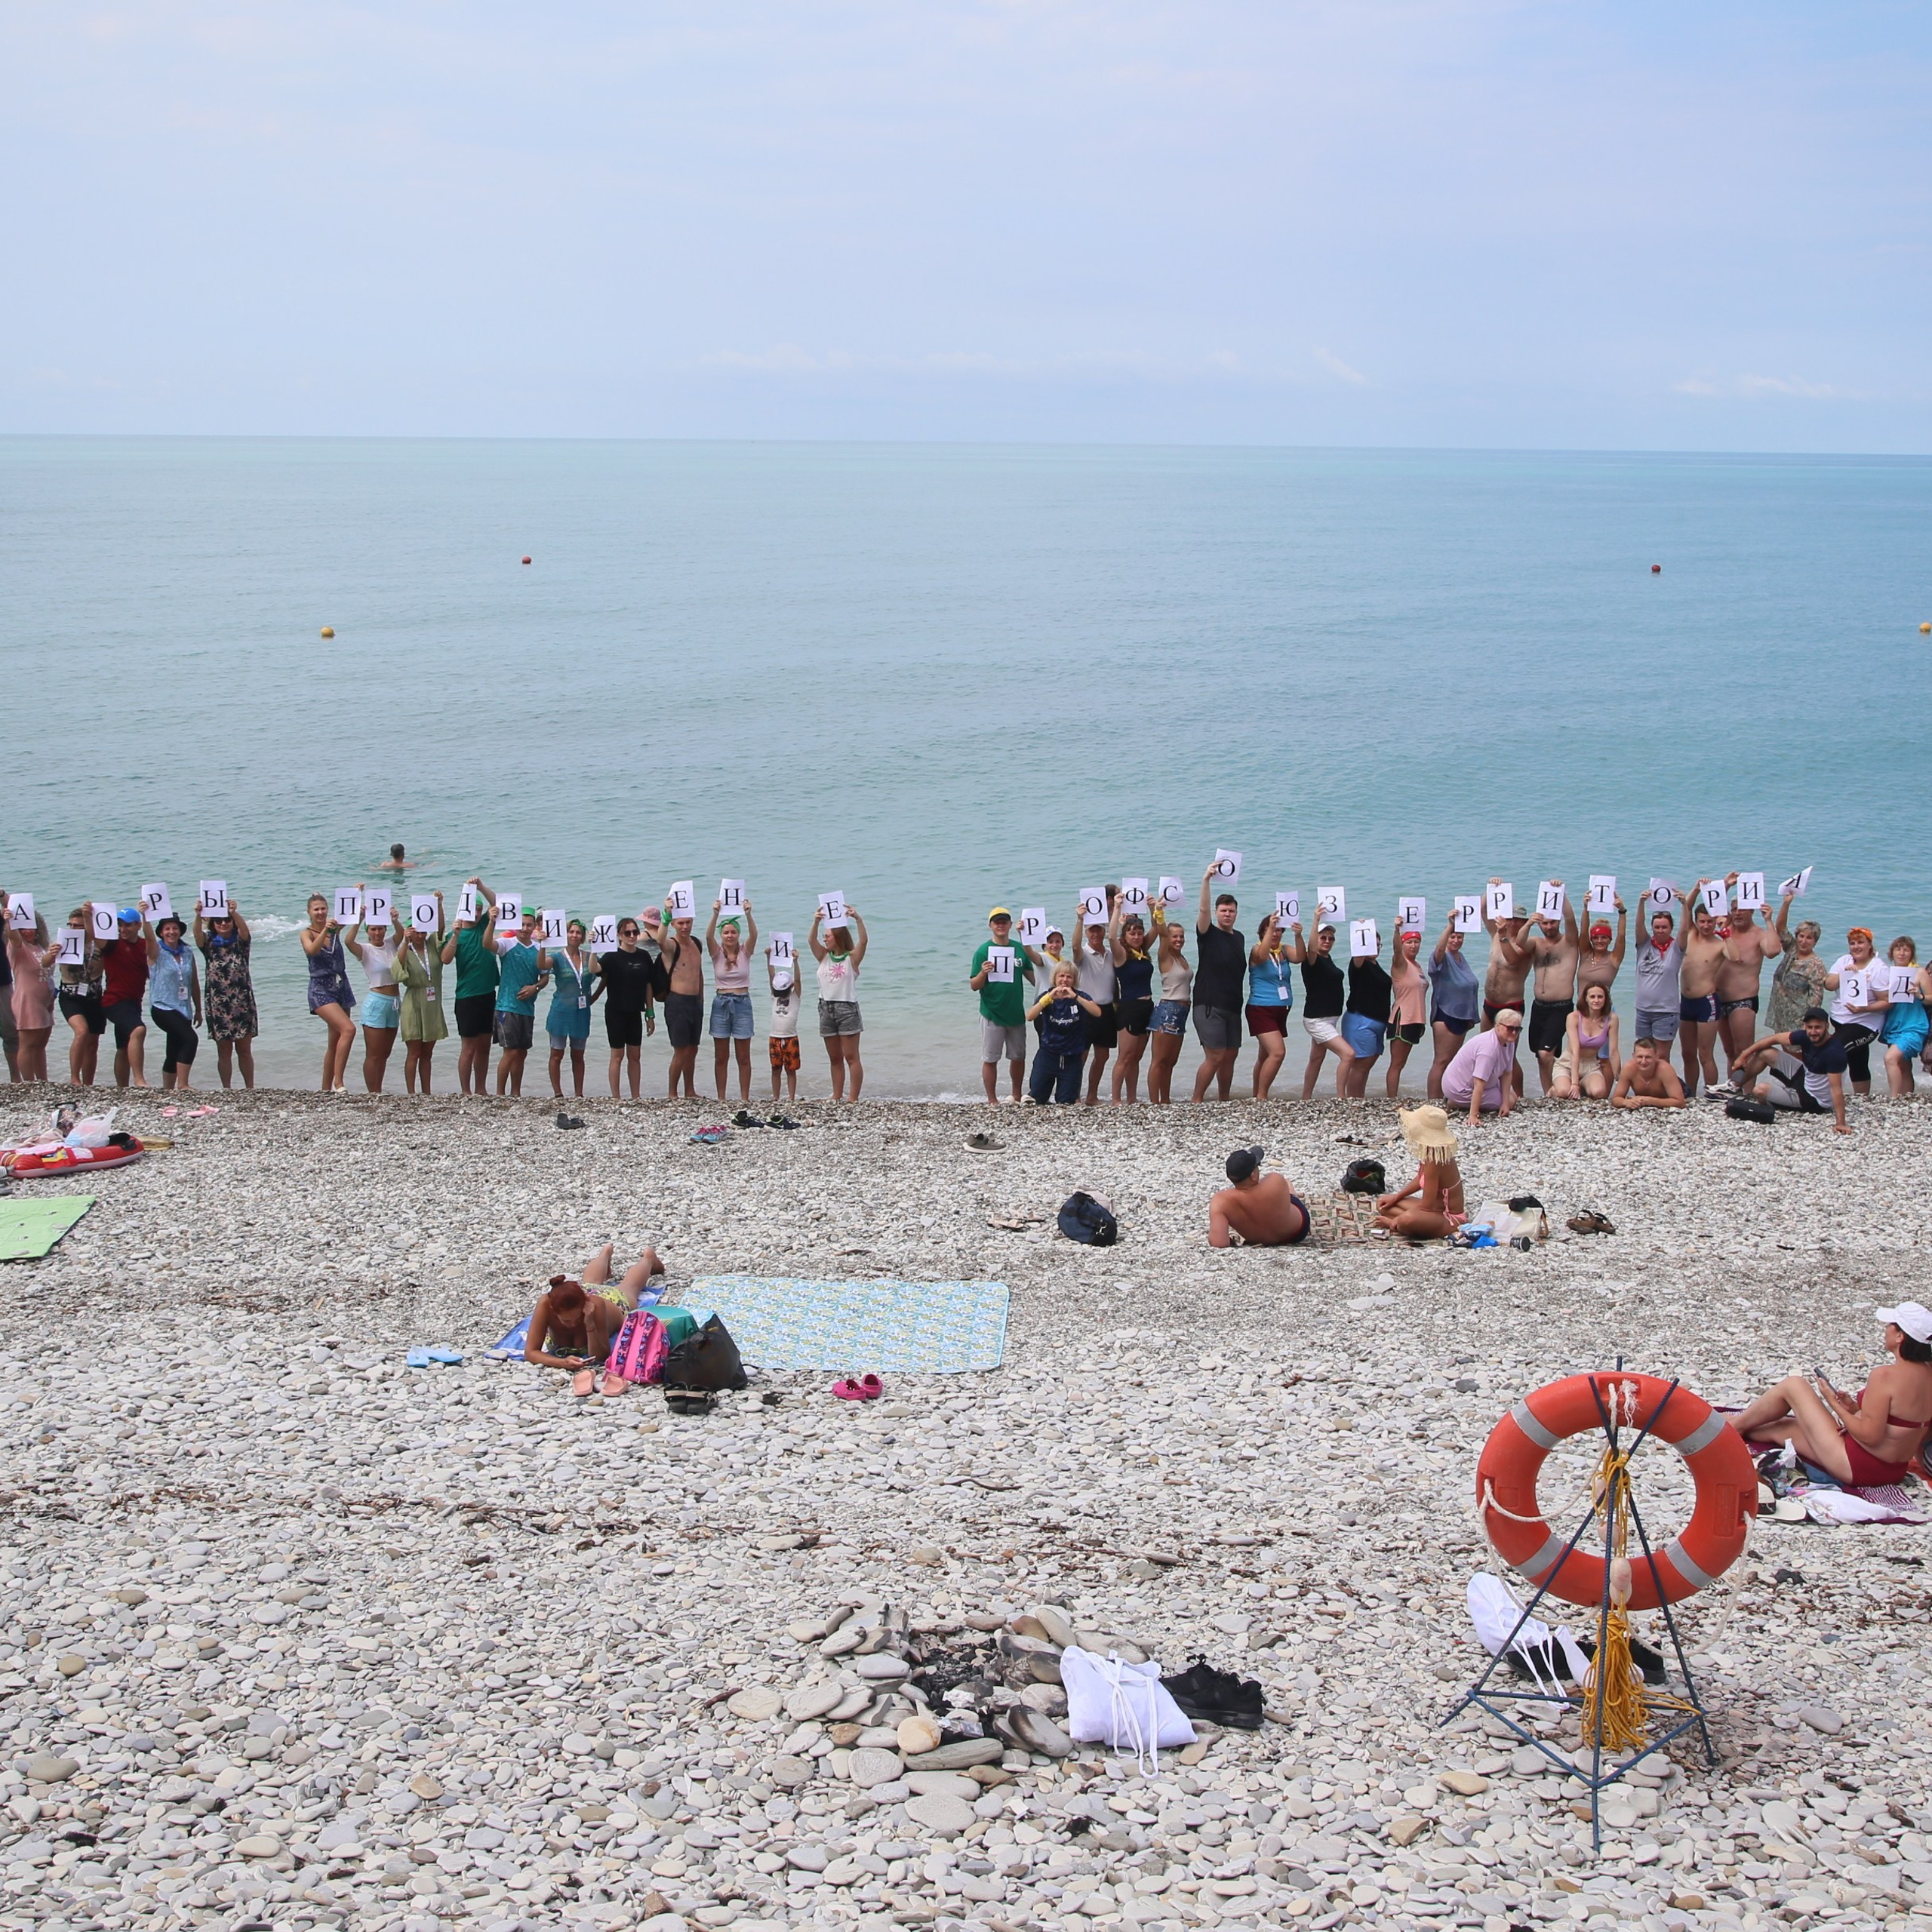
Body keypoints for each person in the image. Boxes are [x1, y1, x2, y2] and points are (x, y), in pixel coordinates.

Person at [1724, 1303, 1932, 1488]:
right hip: (1893, 1470)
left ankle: (1731, 1428)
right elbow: (1900, 1422)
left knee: (1794, 1385)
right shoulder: (1928, 1374)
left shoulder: (1885, 1376)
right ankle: (1733, 1426)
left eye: (1890, 1325)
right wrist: (1855, 1409)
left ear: (1900, 1336)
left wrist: (1834, 1403)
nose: (1885, 1330)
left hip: (1858, 1465)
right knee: (1782, 1428)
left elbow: (1870, 1436)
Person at [523, 1243, 669, 1395]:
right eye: (566, 1321)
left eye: (577, 1319)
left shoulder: (595, 1305)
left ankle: (648, 1259)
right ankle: (605, 1253)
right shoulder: (545, 1304)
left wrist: (590, 1324)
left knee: (629, 1288)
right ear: (554, 1311)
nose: (573, 1324)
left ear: (584, 1305)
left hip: (612, 1302)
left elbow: (600, 1357)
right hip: (582, 1293)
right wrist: (562, 1363)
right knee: (590, 1282)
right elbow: (530, 1352)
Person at [1711, 878, 1784, 1092]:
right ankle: (1732, 1090)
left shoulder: (1759, 934)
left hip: (1743, 1001)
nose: (1737, 913)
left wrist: (1769, 920)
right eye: (1734, 909)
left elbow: (1773, 951)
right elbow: (1712, 908)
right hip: (1719, 999)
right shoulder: (1725, 928)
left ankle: (1747, 1092)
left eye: (1742, 909)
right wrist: (1725, 886)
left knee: (1744, 1051)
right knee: (1729, 1052)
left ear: (1752, 910)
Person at [1727, 1007, 1850, 1131]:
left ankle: (1777, 1100)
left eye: (1818, 1027)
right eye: (1810, 1027)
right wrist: (1744, 1055)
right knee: (1766, 1053)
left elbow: (1836, 1089)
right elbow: (1774, 1038)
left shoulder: (1833, 1052)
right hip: (1806, 1077)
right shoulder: (1806, 1036)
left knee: (1759, 1091)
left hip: (1813, 1099)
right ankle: (1734, 1087)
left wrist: (1840, 1123)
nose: (1813, 1032)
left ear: (1827, 1026)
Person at [971, 908, 1041, 1104]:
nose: (1000, 925)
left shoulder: (1019, 949)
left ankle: (1016, 1096)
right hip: (991, 1013)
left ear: (1010, 925)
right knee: (991, 1058)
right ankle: (992, 1099)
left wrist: (1052, 990)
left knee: (1018, 1057)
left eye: (1004, 922)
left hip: (1016, 1013)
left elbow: (1034, 979)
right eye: (997, 922)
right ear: (990, 926)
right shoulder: (983, 951)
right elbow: (974, 985)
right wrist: (983, 973)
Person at [1191, 869, 1246, 1103]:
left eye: (1231, 911)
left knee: (1230, 1055)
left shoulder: (1239, 937)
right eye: (1223, 910)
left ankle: (1224, 1098)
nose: (1227, 914)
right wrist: (1206, 880)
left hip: (1233, 1006)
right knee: (1215, 1056)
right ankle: (1197, 1099)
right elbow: (1203, 910)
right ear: (1216, 913)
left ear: (1236, 913)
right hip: (1209, 1004)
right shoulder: (1208, 933)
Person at [194, 897, 258, 1090]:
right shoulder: (209, 943)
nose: (223, 923)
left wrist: (234, 912)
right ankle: (227, 1088)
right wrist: (198, 915)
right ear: (212, 924)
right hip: (218, 1004)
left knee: (244, 1049)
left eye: (227, 920)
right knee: (224, 1051)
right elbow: (197, 935)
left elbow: (245, 931)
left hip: (242, 1002)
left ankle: (249, 1087)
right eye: (218, 921)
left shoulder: (241, 942)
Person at [1522, 888, 1581, 1095]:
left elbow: (1571, 919)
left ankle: (1553, 1089)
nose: (1549, 926)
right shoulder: (1536, 943)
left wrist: (1561, 894)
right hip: (1539, 1006)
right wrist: (1529, 923)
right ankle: (1549, 1090)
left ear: (1559, 922)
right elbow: (1519, 942)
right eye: (1545, 923)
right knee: (1540, 1055)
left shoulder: (1569, 942)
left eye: (1553, 922)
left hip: (1561, 1006)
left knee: (1545, 1053)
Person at [344, 889, 404, 1095]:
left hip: (394, 1003)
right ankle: (373, 1092)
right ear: (368, 931)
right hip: (377, 1003)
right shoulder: (365, 950)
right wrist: (359, 920)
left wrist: (395, 919)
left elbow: (402, 934)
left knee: (385, 1053)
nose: (377, 933)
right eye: (373, 929)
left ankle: (379, 1088)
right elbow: (348, 942)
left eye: (380, 929)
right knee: (374, 1054)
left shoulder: (390, 944)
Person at [1374, 1106, 1466, 1238]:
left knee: (1406, 1220)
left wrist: (1395, 1222)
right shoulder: (1431, 1152)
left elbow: (1426, 1206)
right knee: (1383, 1203)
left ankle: (1399, 1225)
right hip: (1435, 1211)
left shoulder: (1434, 1160)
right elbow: (1421, 1178)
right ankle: (1408, 1223)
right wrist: (1396, 1197)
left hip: (1449, 1218)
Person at [598, 915, 659, 1100]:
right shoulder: (611, 956)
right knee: (617, 1055)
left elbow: (649, 985)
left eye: (635, 932)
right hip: (615, 1011)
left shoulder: (644, 956)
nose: (632, 936)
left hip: (635, 1012)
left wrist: (650, 1014)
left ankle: (636, 1096)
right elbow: (595, 970)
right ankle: (616, 1097)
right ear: (619, 935)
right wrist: (593, 949)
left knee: (635, 1056)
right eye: (627, 933)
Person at [1823, 927, 1890, 1096]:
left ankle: (1827, 1094)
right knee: (1857, 1059)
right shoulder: (1844, 961)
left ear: (1869, 945)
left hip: (1865, 1023)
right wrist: (1843, 974)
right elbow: (1828, 985)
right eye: (1852, 943)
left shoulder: (1878, 968)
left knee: (1834, 1049)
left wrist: (1864, 1008)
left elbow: (1888, 1001)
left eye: (1861, 942)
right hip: (1840, 1020)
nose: (1856, 946)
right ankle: (1862, 1097)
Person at [811, 905, 868, 1101]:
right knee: (834, 1057)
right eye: (824, 936)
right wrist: (816, 921)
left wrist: (858, 919)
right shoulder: (823, 956)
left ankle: (853, 1097)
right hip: (826, 1008)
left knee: (851, 1057)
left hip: (847, 1009)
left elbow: (863, 942)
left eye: (827, 936)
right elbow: (811, 941)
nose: (824, 939)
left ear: (837, 937)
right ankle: (836, 1094)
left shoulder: (851, 959)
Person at [448, 881, 500, 1097]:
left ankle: (481, 1088)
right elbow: (445, 959)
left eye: (479, 910)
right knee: (468, 1048)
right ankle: (466, 1090)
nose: (477, 913)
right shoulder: (458, 933)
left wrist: (480, 886)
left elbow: (496, 902)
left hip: (488, 994)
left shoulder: (483, 925)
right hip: (467, 997)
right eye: (474, 909)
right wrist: (454, 935)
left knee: (485, 1046)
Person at [1675, 882, 1727, 1098]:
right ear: (1696, 922)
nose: (1706, 925)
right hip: (1685, 1001)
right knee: (1687, 1053)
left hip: (1707, 1002)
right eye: (1702, 921)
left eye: (1710, 922)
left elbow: (1735, 957)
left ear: (1716, 922)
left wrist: (1727, 932)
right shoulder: (1690, 935)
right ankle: (1691, 1092)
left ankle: (1712, 1092)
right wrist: (1696, 889)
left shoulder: (1719, 944)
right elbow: (1686, 907)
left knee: (1705, 1054)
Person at [300, 896, 355, 1092]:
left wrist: (358, 897)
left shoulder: (335, 930)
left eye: (323, 908)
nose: (320, 912)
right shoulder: (306, 933)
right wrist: (325, 930)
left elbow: (351, 915)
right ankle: (339, 1083)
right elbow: (312, 951)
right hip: (320, 988)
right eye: (316, 909)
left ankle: (325, 1090)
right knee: (349, 1030)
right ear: (309, 912)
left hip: (341, 986)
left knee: (335, 1041)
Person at [706, 900, 759, 1106]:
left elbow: (754, 935)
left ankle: (744, 1097)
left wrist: (748, 914)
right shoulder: (716, 953)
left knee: (743, 1056)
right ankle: (721, 1097)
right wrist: (715, 915)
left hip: (742, 1003)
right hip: (721, 1003)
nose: (730, 936)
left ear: (738, 934)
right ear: (722, 936)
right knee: (721, 1056)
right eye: (726, 932)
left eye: (733, 932)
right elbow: (708, 936)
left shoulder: (745, 951)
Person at [1026, 962, 1102, 1104]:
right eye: (1061, 976)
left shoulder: (1080, 996)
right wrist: (1048, 998)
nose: (1065, 980)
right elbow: (1030, 1016)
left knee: (1066, 1101)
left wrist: (1076, 997)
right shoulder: (1047, 996)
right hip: (1048, 1053)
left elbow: (1097, 1012)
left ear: (1074, 980)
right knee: (1037, 1098)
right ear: (1055, 978)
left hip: (1072, 1057)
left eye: (1069, 977)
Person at [395, 895, 448, 1094]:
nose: (420, 935)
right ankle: (411, 1092)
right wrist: (405, 941)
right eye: (416, 931)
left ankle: (427, 1092)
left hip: (432, 1003)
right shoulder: (406, 950)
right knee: (414, 1051)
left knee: (427, 1053)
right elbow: (397, 971)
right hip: (413, 1002)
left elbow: (441, 930)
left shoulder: (431, 944)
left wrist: (439, 905)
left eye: (422, 931)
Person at [542, 918, 600, 1100]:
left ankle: (579, 1094)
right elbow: (541, 965)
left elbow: (604, 975)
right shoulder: (557, 957)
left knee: (578, 1055)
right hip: (560, 1011)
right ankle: (558, 1093)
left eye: (578, 932)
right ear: (565, 934)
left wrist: (595, 997)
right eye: (571, 932)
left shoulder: (589, 956)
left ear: (583, 936)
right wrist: (542, 945)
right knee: (556, 1054)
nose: (574, 935)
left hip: (581, 1012)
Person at [1208, 1145, 1309, 1247]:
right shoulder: (1275, 1180)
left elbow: (1219, 1243)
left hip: (1261, 1241)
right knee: (1287, 1184)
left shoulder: (1221, 1202)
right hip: (1297, 1233)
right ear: (1253, 1176)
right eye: (1257, 1166)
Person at [1425, 915, 1480, 1100]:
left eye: (1459, 936)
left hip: (1462, 1016)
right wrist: (1450, 925)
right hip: (1445, 1014)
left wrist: (1471, 1016)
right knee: (1441, 1061)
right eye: (1452, 937)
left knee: (1452, 1061)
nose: (1456, 940)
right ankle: (1433, 1099)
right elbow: (1439, 950)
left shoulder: (1460, 957)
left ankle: (1445, 1096)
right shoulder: (1442, 957)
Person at [1297, 921, 1355, 1099]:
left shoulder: (1327, 959)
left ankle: (1306, 1098)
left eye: (1331, 938)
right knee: (1348, 1055)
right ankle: (1341, 1097)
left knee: (1316, 1059)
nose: (1327, 941)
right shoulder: (1311, 959)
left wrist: (1361, 931)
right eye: (1323, 937)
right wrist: (1316, 919)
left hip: (1329, 1019)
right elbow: (1311, 949)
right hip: (1317, 1020)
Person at [493, 908, 546, 1097]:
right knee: (511, 1052)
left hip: (527, 1008)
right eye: (521, 924)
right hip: (507, 1006)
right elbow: (487, 944)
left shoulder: (538, 948)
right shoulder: (506, 944)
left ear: (534, 927)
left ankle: (516, 1092)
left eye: (529, 925)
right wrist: (491, 921)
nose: (525, 928)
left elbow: (545, 977)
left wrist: (535, 988)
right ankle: (500, 1093)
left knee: (522, 1052)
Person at [147, 912, 202, 1091]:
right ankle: (183, 1084)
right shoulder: (156, 950)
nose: (171, 932)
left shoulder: (187, 951)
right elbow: (148, 937)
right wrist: (144, 917)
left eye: (175, 928)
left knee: (174, 1047)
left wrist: (198, 1009)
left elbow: (193, 982)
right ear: (161, 932)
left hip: (183, 1007)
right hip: (162, 1006)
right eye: (167, 929)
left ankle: (168, 1089)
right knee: (190, 1039)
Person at [1074, 896, 1121, 1106]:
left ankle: (1092, 1095)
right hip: (1085, 1009)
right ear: (1086, 932)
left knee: (1103, 1056)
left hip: (1107, 1010)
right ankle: (1074, 1094)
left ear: (1103, 931)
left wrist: (1118, 912)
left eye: (1098, 930)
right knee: (1081, 1055)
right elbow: (1075, 947)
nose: (1095, 934)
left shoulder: (1111, 955)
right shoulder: (1083, 954)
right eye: (1091, 931)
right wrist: (1079, 920)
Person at [1145, 904, 1193, 1106]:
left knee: (1171, 1061)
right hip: (1167, 1011)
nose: (1179, 940)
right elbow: (1162, 934)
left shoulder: (1181, 958)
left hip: (1182, 1011)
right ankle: (1154, 1101)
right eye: (1175, 936)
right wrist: (1157, 913)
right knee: (1159, 1060)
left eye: (1181, 936)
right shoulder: (1165, 955)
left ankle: (1165, 1099)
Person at [658, 898, 706, 1100]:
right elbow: (660, 940)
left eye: (688, 922)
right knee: (681, 1050)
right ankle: (672, 1093)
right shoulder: (671, 945)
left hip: (695, 1002)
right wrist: (666, 915)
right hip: (677, 1002)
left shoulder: (696, 943)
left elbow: (698, 972)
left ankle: (690, 1090)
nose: (685, 927)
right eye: (680, 923)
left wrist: (701, 999)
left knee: (693, 1049)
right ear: (674, 925)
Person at [1245, 909, 1294, 1099]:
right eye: (1270, 930)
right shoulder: (1257, 950)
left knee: (1264, 1056)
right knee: (1278, 1053)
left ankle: (1256, 1094)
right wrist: (1271, 926)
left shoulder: (1284, 950)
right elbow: (1262, 955)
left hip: (1281, 1009)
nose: (1275, 933)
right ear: (1262, 932)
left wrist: (1299, 934)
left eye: (1279, 930)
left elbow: (1301, 957)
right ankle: (1262, 1096)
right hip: (1260, 1008)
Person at [3, 901, 53, 1084]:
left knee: (40, 1045)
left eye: (31, 927)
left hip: (45, 1001)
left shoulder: (40, 946)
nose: (27, 931)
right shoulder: (17, 948)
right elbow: (13, 937)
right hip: (27, 1000)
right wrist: (9, 921)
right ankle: (29, 1083)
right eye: (23, 928)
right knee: (27, 1044)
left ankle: (43, 1081)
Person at [1441, 1008, 1521, 1122]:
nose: (1514, 1033)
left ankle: (1464, 1103)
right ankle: (1457, 1102)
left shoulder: (1509, 1042)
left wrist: (1504, 1104)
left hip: (1484, 1083)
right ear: (1497, 1026)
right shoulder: (1489, 1048)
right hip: (1461, 1089)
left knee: (1512, 1096)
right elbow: (1479, 1082)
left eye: (1517, 1029)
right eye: (1510, 1028)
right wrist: (1473, 1115)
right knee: (1511, 1101)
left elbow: (1507, 1074)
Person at [54, 908, 105, 1087]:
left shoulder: (100, 944)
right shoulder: (63, 943)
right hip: (70, 996)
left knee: (92, 1044)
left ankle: (88, 1084)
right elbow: (44, 963)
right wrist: (51, 954)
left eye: (78, 926)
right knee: (81, 1031)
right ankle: (74, 1078)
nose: (73, 929)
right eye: (71, 925)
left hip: (95, 997)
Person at [1109, 912, 1156, 1103]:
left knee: (1136, 1057)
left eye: (1139, 933)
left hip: (1147, 1007)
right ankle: (1116, 1099)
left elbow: (1157, 928)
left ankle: (1132, 1097)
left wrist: (1154, 908)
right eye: (1132, 933)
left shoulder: (1143, 952)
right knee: (1125, 1057)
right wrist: (1117, 908)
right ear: (1125, 936)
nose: (1136, 937)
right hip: (1130, 1008)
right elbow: (1111, 938)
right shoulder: (1122, 955)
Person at [1339, 928, 1391, 1099]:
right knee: (1360, 1065)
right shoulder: (1359, 964)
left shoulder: (1375, 965)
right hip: (1360, 1020)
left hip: (1378, 1021)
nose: (1375, 948)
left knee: (1367, 1064)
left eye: (1378, 945)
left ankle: (1359, 1097)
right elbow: (1358, 954)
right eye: (1371, 944)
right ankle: (1354, 1099)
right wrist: (1362, 930)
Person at [1765, 902, 1829, 1037]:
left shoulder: (1816, 965)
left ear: (1815, 941)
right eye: (1801, 936)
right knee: (1782, 1047)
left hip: (1798, 1020)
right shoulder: (1792, 948)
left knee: (1796, 1050)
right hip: (1780, 1014)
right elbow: (1780, 928)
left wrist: (1809, 1024)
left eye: (1809, 938)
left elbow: (1816, 1001)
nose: (1804, 941)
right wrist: (1786, 903)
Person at [1551, 983, 1619, 1101]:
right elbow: (1575, 1052)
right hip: (1567, 1063)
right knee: (1563, 1092)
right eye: (1592, 997)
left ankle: (1583, 1086)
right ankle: (1554, 1089)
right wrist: (1574, 1084)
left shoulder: (1612, 1019)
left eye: (1600, 997)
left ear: (1606, 999)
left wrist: (1619, 1079)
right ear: (1586, 999)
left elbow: (1613, 1052)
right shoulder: (1574, 1017)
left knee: (1598, 1092)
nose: (1596, 1000)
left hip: (1590, 1065)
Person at [1632, 906, 1684, 1060]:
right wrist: (1641, 902)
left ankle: (1664, 1078)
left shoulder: (1676, 948)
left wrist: (1684, 905)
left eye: (1664, 927)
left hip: (1666, 1011)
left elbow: (1685, 929)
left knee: (1660, 1057)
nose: (1660, 930)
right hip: (1643, 1011)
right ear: (1652, 928)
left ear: (1671, 928)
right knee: (1643, 1056)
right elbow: (1639, 925)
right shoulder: (1644, 945)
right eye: (1657, 927)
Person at [1880, 937, 1930, 1097]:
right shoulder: (1887, 973)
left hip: (1914, 1025)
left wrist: (1920, 996)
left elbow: (1931, 997)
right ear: (1892, 953)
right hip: (1894, 1025)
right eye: (1898, 949)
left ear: (1912, 954)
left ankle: (1894, 1098)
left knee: (1890, 1058)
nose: (1902, 953)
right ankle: (1906, 1098)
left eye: (1906, 950)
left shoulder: (1919, 972)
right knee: (1904, 1066)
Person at [1479, 882, 1533, 1029]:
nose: (1513, 923)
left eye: (1518, 920)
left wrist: (1503, 935)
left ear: (1525, 922)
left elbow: (1513, 960)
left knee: (1507, 1045)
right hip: (1489, 1004)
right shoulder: (1496, 934)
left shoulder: (1525, 944)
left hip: (1510, 1006)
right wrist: (1491, 888)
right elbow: (1483, 909)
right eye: (1510, 918)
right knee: (1484, 1042)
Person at [1383, 924, 1427, 1100]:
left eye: (1417, 942)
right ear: (1402, 944)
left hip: (1416, 1019)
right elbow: (1395, 950)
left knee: (1402, 1062)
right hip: (1402, 1018)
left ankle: (1393, 1096)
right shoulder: (1400, 963)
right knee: (1397, 1063)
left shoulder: (1417, 966)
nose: (1414, 945)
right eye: (1409, 942)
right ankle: (1391, 1099)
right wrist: (1396, 930)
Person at [1609, 1036, 1687, 1111]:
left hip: (1678, 1087)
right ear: (1633, 1056)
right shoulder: (1628, 1068)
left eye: (1648, 1057)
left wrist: (1650, 1101)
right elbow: (1616, 1099)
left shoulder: (1665, 1069)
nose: (1643, 1061)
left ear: (1656, 1057)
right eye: (1640, 1057)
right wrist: (1625, 1102)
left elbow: (1680, 1103)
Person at [1575, 897, 1627, 1004]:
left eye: (1604, 937)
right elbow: (1584, 932)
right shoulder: (1586, 954)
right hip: (1582, 1009)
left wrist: (1622, 911)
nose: (1599, 941)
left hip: (1604, 1010)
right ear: (1591, 940)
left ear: (1610, 940)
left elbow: (1621, 936)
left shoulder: (1614, 959)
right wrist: (1586, 908)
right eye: (1596, 938)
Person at [768, 951, 802, 1103]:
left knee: (791, 1070)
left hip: (790, 1038)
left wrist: (795, 961)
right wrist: (769, 958)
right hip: (774, 1037)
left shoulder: (795, 997)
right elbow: (771, 976)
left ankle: (791, 1097)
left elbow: (798, 980)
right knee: (775, 1069)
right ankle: (776, 1097)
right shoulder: (774, 997)